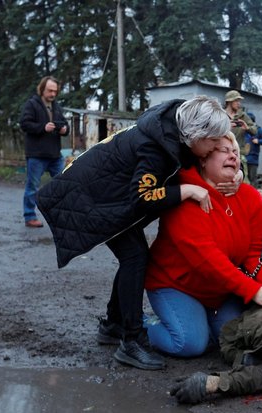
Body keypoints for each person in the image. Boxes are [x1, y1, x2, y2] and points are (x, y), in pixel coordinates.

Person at [37, 96, 241, 371]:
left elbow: (192, 167)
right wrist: (185, 191)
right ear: (195, 134)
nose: (216, 146)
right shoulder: (156, 147)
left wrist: (233, 175)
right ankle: (130, 342)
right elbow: (142, 197)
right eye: (213, 141)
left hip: (101, 194)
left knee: (134, 257)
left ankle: (113, 324)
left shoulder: (173, 128)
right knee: (135, 258)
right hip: (91, 201)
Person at [143, 132, 262, 358]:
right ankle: (143, 324)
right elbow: (208, 260)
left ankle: (197, 319)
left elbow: (255, 253)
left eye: (235, 152)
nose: (233, 156)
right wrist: (253, 291)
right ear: (203, 157)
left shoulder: (250, 197)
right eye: (223, 150)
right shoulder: (185, 198)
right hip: (175, 284)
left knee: (234, 339)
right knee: (189, 343)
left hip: (220, 290)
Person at [19, 76, 69, 228]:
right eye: (50, 90)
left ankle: (63, 215)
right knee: (33, 187)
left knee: (63, 185)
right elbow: (24, 124)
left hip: (55, 155)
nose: (53, 94)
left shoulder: (57, 107)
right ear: (42, 89)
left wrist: (65, 130)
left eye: (55, 91)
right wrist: (42, 127)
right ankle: (29, 216)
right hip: (36, 154)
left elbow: (65, 125)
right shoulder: (32, 104)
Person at [224, 90, 257, 179]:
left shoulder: (243, 116)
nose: (239, 103)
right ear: (229, 102)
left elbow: (255, 131)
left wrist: (247, 128)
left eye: (239, 101)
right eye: (236, 101)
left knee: (242, 179)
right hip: (223, 152)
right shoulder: (221, 115)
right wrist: (226, 127)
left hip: (239, 153)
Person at [244, 112, 262, 187]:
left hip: (253, 158)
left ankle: (254, 196)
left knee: (252, 178)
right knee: (243, 178)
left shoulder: (258, 129)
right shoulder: (242, 129)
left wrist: (258, 141)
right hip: (242, 157)